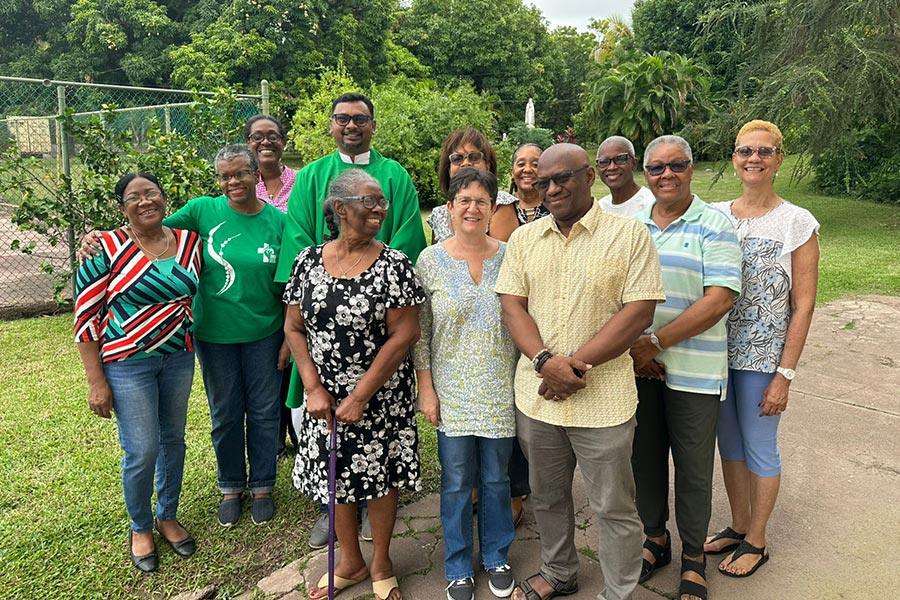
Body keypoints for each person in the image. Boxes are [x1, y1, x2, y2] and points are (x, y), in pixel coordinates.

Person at [496, 143, 665, 600]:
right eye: (542, 182)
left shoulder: (629, 235)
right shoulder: (524, 240)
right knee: (547, 497)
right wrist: (544, 363)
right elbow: (512, 306)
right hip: (538, 400)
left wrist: (576, 365)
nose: (551, 189)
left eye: (562, 179)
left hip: (604, 402)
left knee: (613, 506)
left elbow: (639, 311)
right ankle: (558, 573)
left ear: (588, 176)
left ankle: (619, 590)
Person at [274, 92, 428, 549]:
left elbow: (404, 239)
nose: (351, 125)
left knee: (379, 458)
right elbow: (298, 235)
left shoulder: (394, 174)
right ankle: (337, 522)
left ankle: (377, 550)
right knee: (331, 452)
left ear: (373, 125)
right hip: (325, 350)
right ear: (330, 125)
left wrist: (380, 278)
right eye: (342, 118)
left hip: (379, 343)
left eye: (360, 118)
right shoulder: (313, 176)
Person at [283, 169, 425, 600]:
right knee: (336, 478)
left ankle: (381, 561)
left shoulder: (394, 265)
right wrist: (313, 388)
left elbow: (406, 335)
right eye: (370, 201)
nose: (380, 209)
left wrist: (361, 395)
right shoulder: (307, 261)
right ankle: (350, 560)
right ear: (340, 208)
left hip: (380, 397)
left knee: (380, 480)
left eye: (381, 201)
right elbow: (293, 328)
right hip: (324, 398)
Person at [703, 120, 820, 578]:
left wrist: (784, 375)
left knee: (760, 449)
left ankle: (758, 539)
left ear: (779, 159)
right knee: (729, 447)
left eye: (764, 152)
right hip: (715, 354)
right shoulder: (715, 214)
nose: (754, 159)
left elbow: (804, 305)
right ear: (733, 158)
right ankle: (737, 525)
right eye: (744, 150)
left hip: (761, 360)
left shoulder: (797, 222)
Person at [629, 135, 742, 600]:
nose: (666, 175)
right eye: (656, 168)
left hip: (693, 371)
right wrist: (641, 352)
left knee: (693, 468)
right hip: (639, 367)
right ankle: (656, 539)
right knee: (644, 459)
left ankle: (693, 557)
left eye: (676, 165)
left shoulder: (714, 225)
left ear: (692, 169)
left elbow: (719, 299)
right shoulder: (632, 225)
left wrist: (655, 342)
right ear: (646, 175)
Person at [74, 173, 202, 573]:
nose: (145, 202)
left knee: (173, 441)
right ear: (122, 207)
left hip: (178, 357)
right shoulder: (105, 247)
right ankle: (140, 526)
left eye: (152, 194)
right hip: (127, 363)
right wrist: (97, 383)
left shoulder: (189, 242)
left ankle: (167, 515)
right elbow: (85, 318)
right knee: (142, 449)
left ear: (165, 199)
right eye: (134, 197)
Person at [166, 144, 287, 528]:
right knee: (226, 412)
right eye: (225, 176)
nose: (233, 181)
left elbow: (288, 285)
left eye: (240, 173)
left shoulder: (278, 222)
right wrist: (101, 238)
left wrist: (287, 336)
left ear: (256, 174)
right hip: (214, 334)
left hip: (265, 332)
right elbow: (152, 230)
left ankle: (263, 484)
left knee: (266, 411)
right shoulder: (203, 210)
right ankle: (231, 485)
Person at [414, 168, 518, 600]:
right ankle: (457, 565)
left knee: (496, 480)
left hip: (500, 385)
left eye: (481, 201)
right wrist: (427, 388)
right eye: (464, 200)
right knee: (456, 481)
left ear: (493, 208)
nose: (472, 208)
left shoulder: (512, 254)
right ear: (450, 208)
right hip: (452, 388)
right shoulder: (430, 261)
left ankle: (496, 555)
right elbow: (420, 332)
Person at [245, 113, 299, 459]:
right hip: (260, 295)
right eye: (257, 137)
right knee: (269, 369)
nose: (266, 142)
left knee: (295, 360)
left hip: (296, 290)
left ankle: (299, 432)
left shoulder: (302, 180)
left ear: (283, 141)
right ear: (248, 142)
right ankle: (274, 439)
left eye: (273, 136)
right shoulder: (239, 184)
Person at [428, 127, 518, 243]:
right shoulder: (439, 214)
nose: (466, 163)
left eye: (474, 157)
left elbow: (502, 257)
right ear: (448, 168)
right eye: (457, 158)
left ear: (488, 165)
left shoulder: (500, 203)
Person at [488, 143, 550, 241]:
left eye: (535, 165)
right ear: (512, 172)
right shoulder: (500, 206)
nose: (527, 170)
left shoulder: (555, 208)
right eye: (521, 164)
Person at [595, 136, 655, 217]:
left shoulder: (651, 204)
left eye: (620, 159)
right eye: (604, 162)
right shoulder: (600, 208)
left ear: (634, 164)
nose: (612, 167)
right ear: (597, 169)